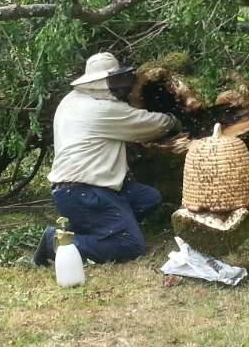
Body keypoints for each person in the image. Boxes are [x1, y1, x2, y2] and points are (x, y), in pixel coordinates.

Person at [33, 52, 180, 266]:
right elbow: (151, 125)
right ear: (100, 82)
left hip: (77, 191)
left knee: (149, 197)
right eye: (115, 81)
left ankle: (102, 230)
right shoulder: (102, 109)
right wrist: (174, 119)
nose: (121, 87)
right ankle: (55, 242)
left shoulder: (71, 100)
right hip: (85, 192)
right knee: (132, 245)